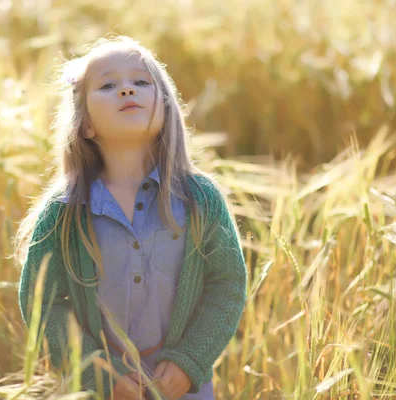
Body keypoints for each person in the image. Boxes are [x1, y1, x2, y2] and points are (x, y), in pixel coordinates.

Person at [15, 34, 247, 400]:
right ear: (86, 124)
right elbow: (40, 303)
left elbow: (227, 285)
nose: (127, 90)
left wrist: (189, 361)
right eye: (108, 85)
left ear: (165, 107)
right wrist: (97, 371)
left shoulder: (201, 199)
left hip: (184, 389)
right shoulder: (62, 213)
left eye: (140, 82)